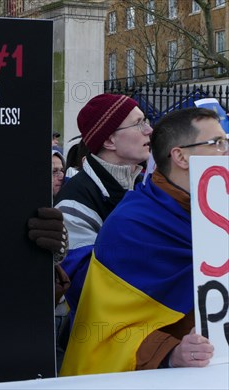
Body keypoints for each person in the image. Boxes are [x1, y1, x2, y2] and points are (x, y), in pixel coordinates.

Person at [61, 107, 225, 375]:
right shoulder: (132, 224)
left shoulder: (219, 213)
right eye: (217, 143)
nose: (226, 150)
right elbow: (106, 330)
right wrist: (171, 352)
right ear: (180, 156)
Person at [56, 94, 152, 319]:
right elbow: (88, 285)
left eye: (145, 120)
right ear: (109, 141)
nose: (149, 130)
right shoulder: (74, 201)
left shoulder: (141, 185)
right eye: (138, 123)